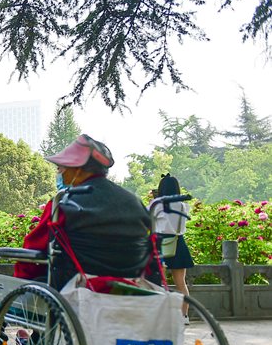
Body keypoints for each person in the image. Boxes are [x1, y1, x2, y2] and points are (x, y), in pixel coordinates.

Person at [15, 134, 152, 289]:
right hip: (129, 288)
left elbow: (33, 252)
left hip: (75, 290)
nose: (59, 172)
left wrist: (20, 280)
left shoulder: (64, 203)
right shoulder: (133, 202)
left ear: (77, 169)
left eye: (62, 167)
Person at [154, 173, 193, 323]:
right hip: (178, 243)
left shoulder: (157, 205)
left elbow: (147, 219)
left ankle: (161, 317)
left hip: (160, 244)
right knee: (181, 283)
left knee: (158, 283)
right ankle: (184, 316)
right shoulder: (184, 205)